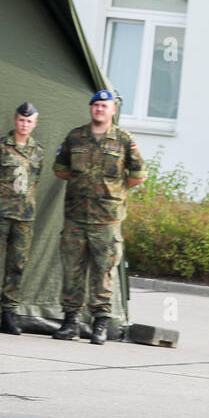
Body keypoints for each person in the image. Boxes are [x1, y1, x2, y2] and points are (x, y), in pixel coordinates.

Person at [52, 89, 146, 345]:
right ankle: (70, 322)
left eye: (105, 106)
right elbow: (60, 169)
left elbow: (138, 174)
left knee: (103, 272)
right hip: (76, 215)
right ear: (91, 109)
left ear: (112, 110)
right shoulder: (75, 137)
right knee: (72, 269)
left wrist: (115, 190)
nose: (100, 110)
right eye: (96, 106)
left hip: (106, 219)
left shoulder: (124, 140)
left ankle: (100, 325)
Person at [0, 101, 44, 335]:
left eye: (29, 121)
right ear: (15, 120)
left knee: (17, 265)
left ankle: (9, 314)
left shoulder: (38, 151)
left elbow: (34, 181)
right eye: (21, 120)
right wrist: (1, 191)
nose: (24, 124)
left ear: (35, 124)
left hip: (24, 216)